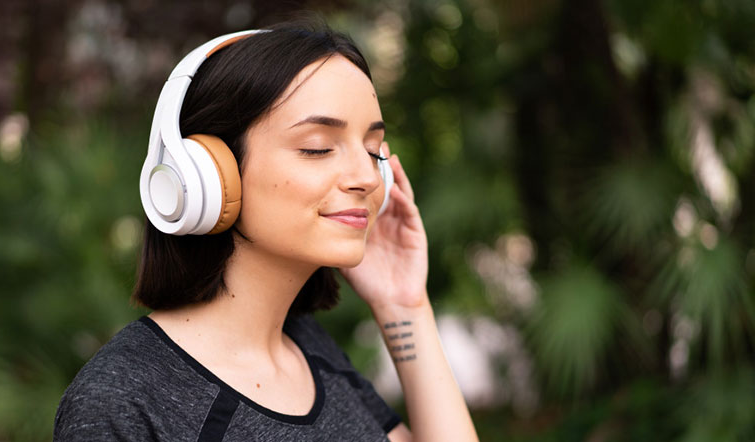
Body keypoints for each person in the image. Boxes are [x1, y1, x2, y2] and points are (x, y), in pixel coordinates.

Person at [54, 20, 478, 442]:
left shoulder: (310, 350)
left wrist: (403, 305)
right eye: (317, 147)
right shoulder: (123, 400)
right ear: (210, 172)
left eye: (372, 151)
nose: (367, 177)